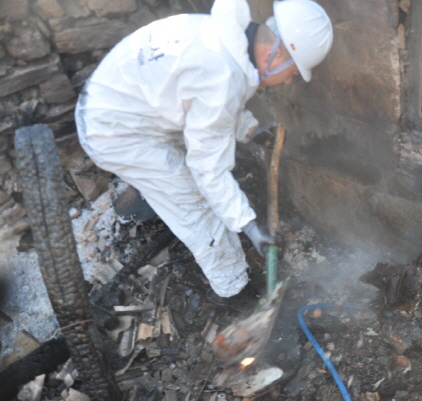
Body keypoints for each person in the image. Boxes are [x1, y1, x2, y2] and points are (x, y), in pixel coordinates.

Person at [75, 0, 333, 297]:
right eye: (292, 73)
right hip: (115, 134)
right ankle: (236, 291)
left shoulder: (223, 37)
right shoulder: (221, 74)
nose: (289, 80)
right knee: (196, 205)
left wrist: (251, 130)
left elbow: (206, 105)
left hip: (120, 107)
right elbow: (209, 168)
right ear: (275, 55)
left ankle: (148, 194)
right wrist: (249, 226)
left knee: (185, 182)